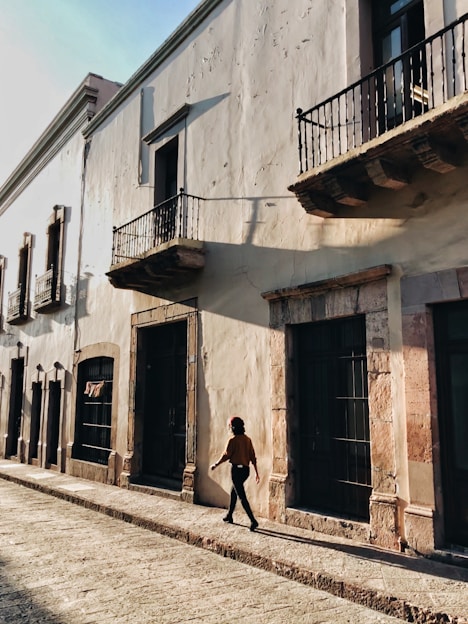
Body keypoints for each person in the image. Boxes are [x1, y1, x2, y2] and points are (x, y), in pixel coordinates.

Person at [211, 416, 260, 531]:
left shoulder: (232, 440)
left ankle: (253, 521)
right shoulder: (247, 439)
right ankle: (229, 515)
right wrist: (257, 472)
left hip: (236, 471)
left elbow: (226, 455)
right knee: (234, 491)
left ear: (232, 428)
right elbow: (253, 456)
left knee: (241, 496)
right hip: (245, 471)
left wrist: (216, 464)